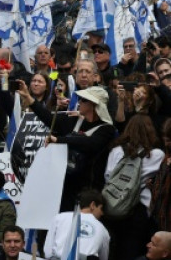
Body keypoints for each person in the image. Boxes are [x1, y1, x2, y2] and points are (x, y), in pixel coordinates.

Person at [19, 83, 117, 211]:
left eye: (84, 100)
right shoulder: (75, 120)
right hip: (65, 185)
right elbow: (49, 118)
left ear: (94, 105)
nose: (79, 102)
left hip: (89, 189)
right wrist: (29, 98)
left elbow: (91, 144)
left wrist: (59, 140)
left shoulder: (107, 129)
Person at [104, 114, 165, 260]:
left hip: (114, 205)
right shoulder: (156, 154)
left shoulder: (116, 150)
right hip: (139, 208)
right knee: (131, 253)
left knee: (112, 248)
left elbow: (108, 176)